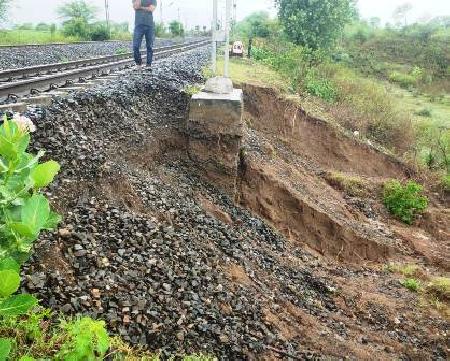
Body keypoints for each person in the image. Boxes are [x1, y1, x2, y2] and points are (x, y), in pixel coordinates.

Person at [132, 0, 157, 69]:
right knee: (135, 46)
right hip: (138, 25)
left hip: (149, 25)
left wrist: (141, 7)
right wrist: (146, 7)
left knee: (149, 46)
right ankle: (138, 64)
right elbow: (135, 6)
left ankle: (148, 65)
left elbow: (151, 9)